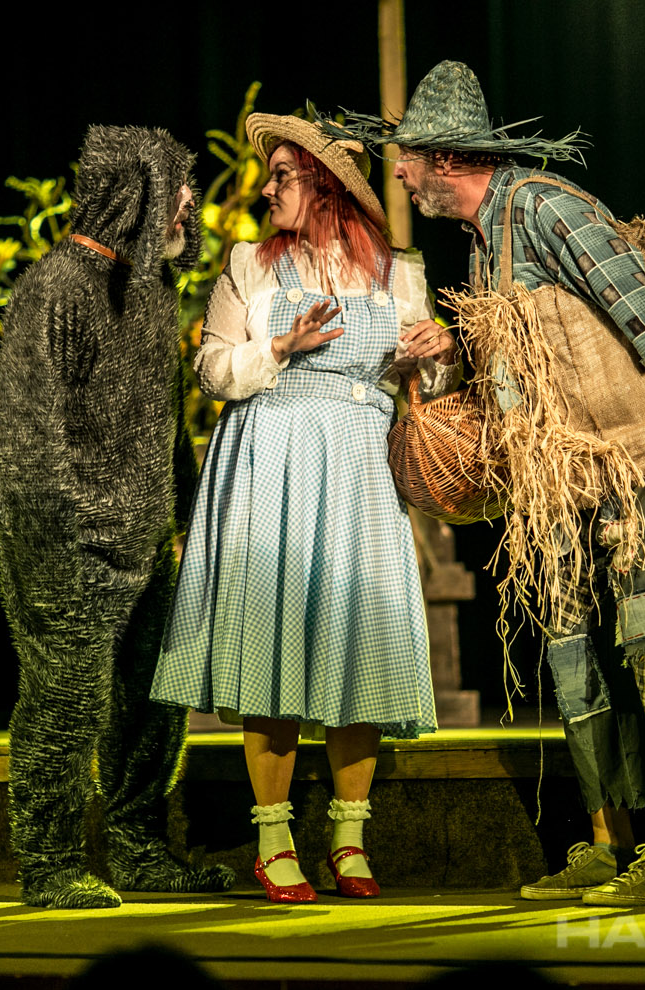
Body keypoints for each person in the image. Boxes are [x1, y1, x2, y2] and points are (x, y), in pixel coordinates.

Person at [321, 60, 645, 905]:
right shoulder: (485, 241)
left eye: (409, 160)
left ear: (444, 158)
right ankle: (610, 841)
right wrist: (455, 352)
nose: (403, 176)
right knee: (575, 652)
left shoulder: (546, 206)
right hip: (563, 480)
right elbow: (531, 363)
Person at [150, 113, 455, 902]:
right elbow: (212, 371)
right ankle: (274, 837)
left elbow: (429, 387)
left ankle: (349, 838)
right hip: (271, 462)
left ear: (325, 185)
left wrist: (437, 353)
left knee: (360, 645)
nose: (267, 188)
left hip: (358, 467)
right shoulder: (249, 264)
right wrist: (278, 349)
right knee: (272, 643)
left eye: (282, 174)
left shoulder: (397, 272)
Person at [0, 125, 234, 908]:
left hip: (145, 542)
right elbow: (28, 437)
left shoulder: (153, 293)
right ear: (134, 195)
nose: (190, 203)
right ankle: (50, 864)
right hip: (67, 544)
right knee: (66, 702)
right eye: (176, 187)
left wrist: (191, 519)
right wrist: (70, 536)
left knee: (154, 702)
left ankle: (137, 849)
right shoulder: (55, 290)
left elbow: (165, 422)